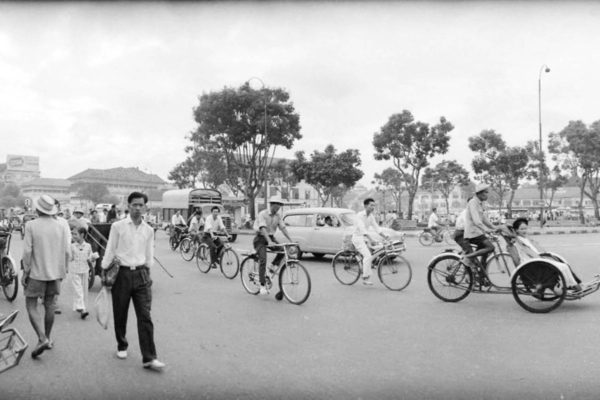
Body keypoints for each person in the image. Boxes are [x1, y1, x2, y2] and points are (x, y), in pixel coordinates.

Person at [102, 191, 165, 371]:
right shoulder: (118, 227)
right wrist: (104, 271)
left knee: (145, 316)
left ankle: (149, 357)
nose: (138, 208)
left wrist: (148, 274)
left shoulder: (149, 230)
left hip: (141, 275)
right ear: (128, 206)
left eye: (141, 205)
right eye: (134, 204)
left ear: (145, 207)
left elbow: (149, 256)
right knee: (120, 313)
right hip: (121, 274)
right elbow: (110, 249)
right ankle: (122, 345)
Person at [21, 194, 70, 358]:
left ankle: (41, 338)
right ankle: (47, 338)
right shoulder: (61, 226)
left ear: (37, 209)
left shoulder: (31, 225)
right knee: (50, 305)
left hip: (36, 273)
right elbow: (67, 251)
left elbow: (27, 251)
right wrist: (63, 271)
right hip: (55, 273)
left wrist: (25, 272)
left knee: (31, 305)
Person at [510, 218, 582, 291]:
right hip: (533, 263)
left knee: (565, 265)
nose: (524, 231)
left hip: (538, 259)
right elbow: (527, 255)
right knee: (563, 267)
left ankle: (572, 284)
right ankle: (573, 285)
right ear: (516, 230)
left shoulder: (525, 238)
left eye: (525, 228)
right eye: (521, 229)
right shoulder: (518, 241)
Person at [253, 195, 293, 295]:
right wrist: (268, 241)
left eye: (280, 205)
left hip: (271, 237)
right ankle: (262, 285)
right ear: (271, 205)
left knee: (283, 250)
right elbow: (262, 228)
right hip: (260, 239)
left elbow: (283, 228)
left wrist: (291, 240)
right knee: (263, 259)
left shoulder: (278, 216)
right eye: (277, 205)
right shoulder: (263, 214)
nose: (278, 207)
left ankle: (271, 268)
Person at [463, 184, 497, 283]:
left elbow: (484, 219)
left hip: (478, 232)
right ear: (480, 193)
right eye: (486, 192)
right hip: (472, 233)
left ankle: (481, 275)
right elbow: (477, 220)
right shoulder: (473, 202)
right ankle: (469, 257)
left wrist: (494, 228)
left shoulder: (480, 203)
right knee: (491, 247)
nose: (487, 195)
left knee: (486, 252)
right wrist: (486, 230)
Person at [351, 198, 390, 286]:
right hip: (358, 238)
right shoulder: (359, 215)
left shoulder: (371, 216)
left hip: (365, 238)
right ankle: (365, 277)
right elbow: (362, 229)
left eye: (374, 205)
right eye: (371, 205)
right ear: (365, 206)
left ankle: (368, 266)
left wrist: (385, 236)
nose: (373, 207)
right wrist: (371, 239)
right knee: (368, 256)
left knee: (378, 249)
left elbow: (376, 227)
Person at [69, 226, 95, 319]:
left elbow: (90, 257)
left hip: (85, 271)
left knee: (84, 291)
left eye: (75, 234)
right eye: (72, 234)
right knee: (78, 290)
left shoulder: (88, 246)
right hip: (75, 271)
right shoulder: (71, 246)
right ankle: (83, 309)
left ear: (82, 235)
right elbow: (70, 258)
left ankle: (81, 307)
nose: (73, 236)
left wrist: (92, 258)